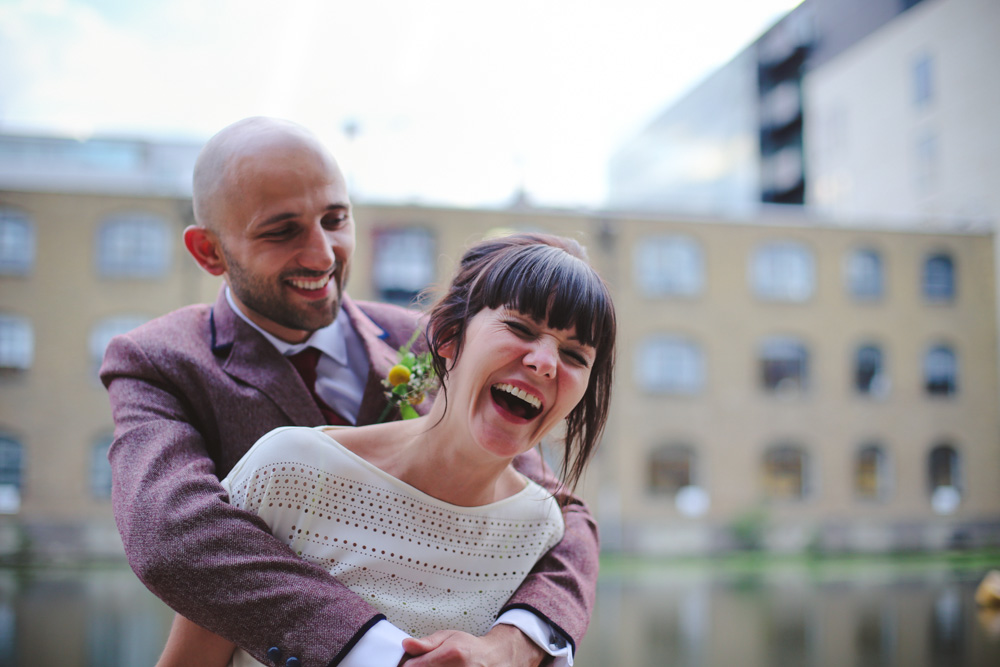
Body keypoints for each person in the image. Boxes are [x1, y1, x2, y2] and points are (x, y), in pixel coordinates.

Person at [100, 117, 600, 667]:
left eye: (335, 219)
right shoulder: (159, 360)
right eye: (281, 231)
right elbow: (173, 537)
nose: (322, 255)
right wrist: (380, 651)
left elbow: (562, 516)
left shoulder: (434, 337)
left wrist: (514, 642)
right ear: (209, 252)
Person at [155, 232, 617, 667]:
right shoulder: (291, 470)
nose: (545, 363)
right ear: (448, 337)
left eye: (575, 356)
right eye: (520, 327)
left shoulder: (539, 528)